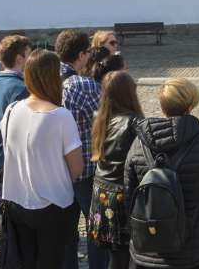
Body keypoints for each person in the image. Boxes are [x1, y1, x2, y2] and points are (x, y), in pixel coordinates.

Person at [124, 78, 199, 269]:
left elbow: (129, 197)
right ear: (190, 106)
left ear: (163, 106)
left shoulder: (138, 144)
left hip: (149, 250)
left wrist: (134, 236)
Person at [0, 50, 83, 268]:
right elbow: (77, 167)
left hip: (17, 201)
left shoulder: (10, 111)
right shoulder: (61, 116)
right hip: (53, 204)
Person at [89, 71, 145, 269]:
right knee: (124, 255)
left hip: (101, 192)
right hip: (122, 194)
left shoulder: (101, 118)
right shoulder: (134, 122)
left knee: (115, 254)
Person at [62, 35, 108, 269]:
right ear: (81, 55)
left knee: (66, 231)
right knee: (96, 228)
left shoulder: (45, 77)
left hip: (56, 172)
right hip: (86, 170)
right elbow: (107, 121)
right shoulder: (81, 85)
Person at [0, 35, 32, 185]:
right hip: (11, 163)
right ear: (19, 58)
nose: (31, 60)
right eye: (29, 55)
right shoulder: (22, 88)